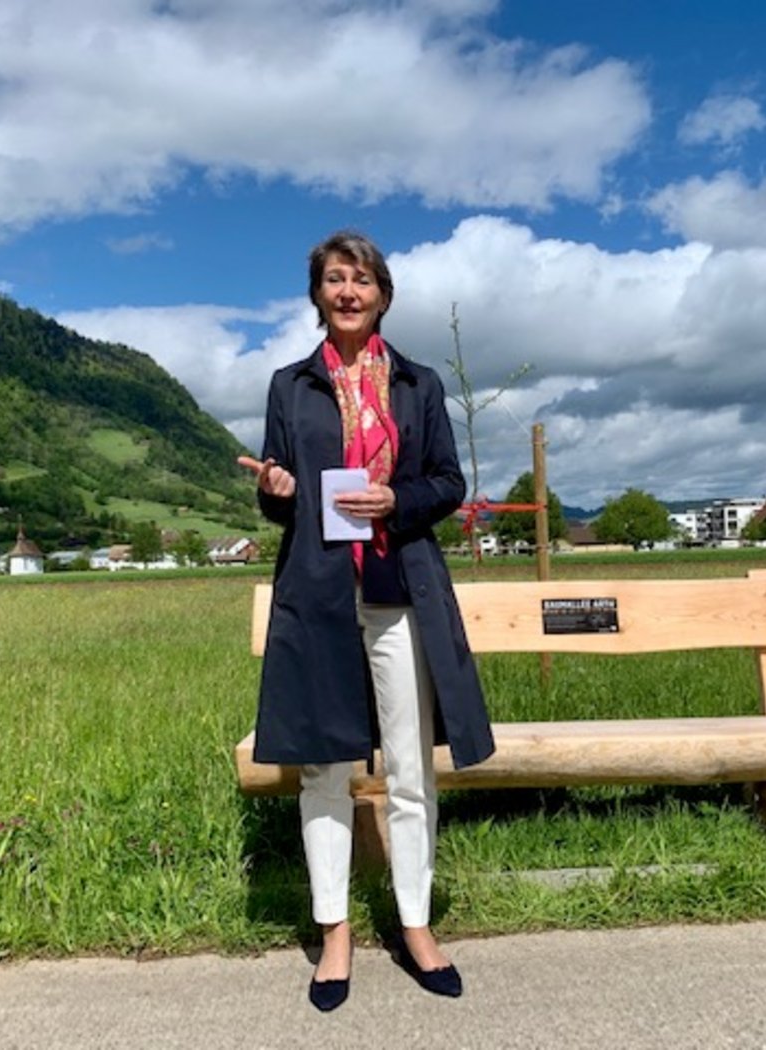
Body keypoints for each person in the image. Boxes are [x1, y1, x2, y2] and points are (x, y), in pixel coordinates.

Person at [237, 231, 494, 1012]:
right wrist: (277, 487)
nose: (348, 291)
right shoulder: (289, 386)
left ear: (383, 295)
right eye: (334, 279)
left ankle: (415, 924)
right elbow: (277, 488)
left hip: (399, 585)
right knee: (324, 768)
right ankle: (335, 933)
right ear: (317, 295)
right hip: (318, 591)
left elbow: (447, 482)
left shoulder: (419, 384)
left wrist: (396, 499)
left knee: (411, 768)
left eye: (362, 279)